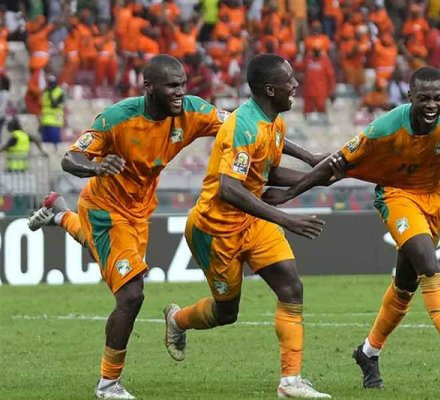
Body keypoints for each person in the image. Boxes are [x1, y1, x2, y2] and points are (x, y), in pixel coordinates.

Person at [26, 54, 327, 400]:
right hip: (105, 211)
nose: (179, 93)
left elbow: (249, 123)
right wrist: (95, 168)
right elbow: (70, 158)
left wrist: (310, 159)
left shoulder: (191, 111)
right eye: (172, 86)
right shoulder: (117, 118)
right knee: (132, 295)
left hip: (141, 210)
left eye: (183, 85)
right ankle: (108, 384)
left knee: (118, 266)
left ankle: (59, 215)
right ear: (149, 87)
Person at [262, 66, 440, 393]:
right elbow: (337, 165)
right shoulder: (384, 128)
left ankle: (368, 352)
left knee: (406, 284)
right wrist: (292, 193)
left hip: (434, 200)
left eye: (438, 98)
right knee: (429, 268)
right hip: (396, 196)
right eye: (424, 99)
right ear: (409, 98)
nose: (432, 105)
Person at [161, 54, 332, 399]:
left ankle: (290, 381)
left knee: (291, 288)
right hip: (215, 229)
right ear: (271, 89)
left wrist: (316, 175)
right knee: (227, 312)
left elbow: (266, 172)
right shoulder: (243, 126)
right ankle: (178, 320)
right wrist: (286, 218)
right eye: (289, 80)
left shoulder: (274, 123)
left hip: (253, 222)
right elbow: (229, 188)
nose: (295, 84)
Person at [39, 74, 65, 146]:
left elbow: (54, 105)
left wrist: (50, 93)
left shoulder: (60, 92)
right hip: (45, 122)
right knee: (45, 144)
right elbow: (42, 105)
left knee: (55, 144)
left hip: (55, 122)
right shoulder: (45, 92)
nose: (50, 85)